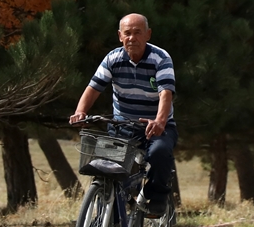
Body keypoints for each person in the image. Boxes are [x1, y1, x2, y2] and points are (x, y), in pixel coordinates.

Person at [70, 13, 177, 215]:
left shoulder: (160, 59)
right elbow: (93, 88)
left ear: (148, 34)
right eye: (127, 33)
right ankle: (106, 223)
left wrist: (160, 120)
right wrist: (80, 112)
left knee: (159, 153)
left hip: (155, 127)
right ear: (120, 36)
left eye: (138, 32)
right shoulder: (113, 58)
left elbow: (166, 93)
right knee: (107, 171)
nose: (132, 38)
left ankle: (156, 197)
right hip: (122, 127)